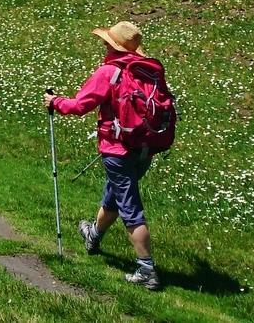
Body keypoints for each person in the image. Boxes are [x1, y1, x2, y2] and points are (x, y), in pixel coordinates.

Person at [45, 21, 164, 291]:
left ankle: (147, 269)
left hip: (117, 149)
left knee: (130, 208)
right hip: (144, 148)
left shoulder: (109, 72)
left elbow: (79, 106)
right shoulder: (146, 72)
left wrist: (54, 102)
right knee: (115, 194)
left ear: (112, 46)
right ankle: (93, 235)